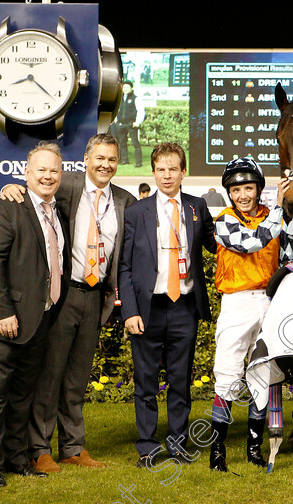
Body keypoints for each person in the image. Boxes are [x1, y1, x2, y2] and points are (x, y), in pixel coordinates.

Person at [1, 134, 137, 473]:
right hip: (63, 295)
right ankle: (39, 448)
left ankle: (74, 447)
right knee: (51, 375)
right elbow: (35, 191)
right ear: (86, 159)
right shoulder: (67, 185)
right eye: (99, 158)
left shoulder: (125, 200)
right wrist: (8, 188)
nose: (105, 165)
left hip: (97, 298)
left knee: (77, 378)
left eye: (112, 159)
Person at [0, 142, 69, 487]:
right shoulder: (7, 206)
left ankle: (15, 458)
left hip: (37, 319)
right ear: (26, 173)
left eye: (54, 170)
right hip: (3, 322)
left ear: (61, 174)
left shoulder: (57, 210)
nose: (47, 175)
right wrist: (3, 312)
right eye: (40, 169)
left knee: (22, 396)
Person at [119, 142, 217, 466]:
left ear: (183, 172)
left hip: (184, 306)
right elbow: (125, 266)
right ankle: (147, 447)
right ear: (153, 172)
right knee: (145, 381)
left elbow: (217, 246)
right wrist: (129, 310)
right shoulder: (136, 211)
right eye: (160, 169)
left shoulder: (197, 207)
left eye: (173, 168)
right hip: (148, 308)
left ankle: (177, 444)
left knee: (180, 379)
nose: (166, 175)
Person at [208, 157, 292, 472]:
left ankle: (254, 449)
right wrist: (281, 211)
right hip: (237, 301)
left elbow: (289, 247)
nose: (243, 195)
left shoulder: (273, 217)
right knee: (227, 373)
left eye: (249, 188)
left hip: (269, 301)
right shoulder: (224, 220)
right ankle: (217, 451)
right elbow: (251, 244)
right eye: (237, 189)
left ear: (258, 189)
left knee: (263, 373)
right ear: (229, 192)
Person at [112, 81, 145, 167]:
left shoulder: (135, 98)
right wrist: (115, 119)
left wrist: (138, 122)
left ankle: (139, 163)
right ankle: (125, 160)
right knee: (122, 143)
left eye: (127, 88)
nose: (125, 89)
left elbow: (141, 111)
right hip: (121, 125)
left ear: (131, 88)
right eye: (124, 88)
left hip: (131, 124)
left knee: (135, 143)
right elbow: (115, 109)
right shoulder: (120, 98)